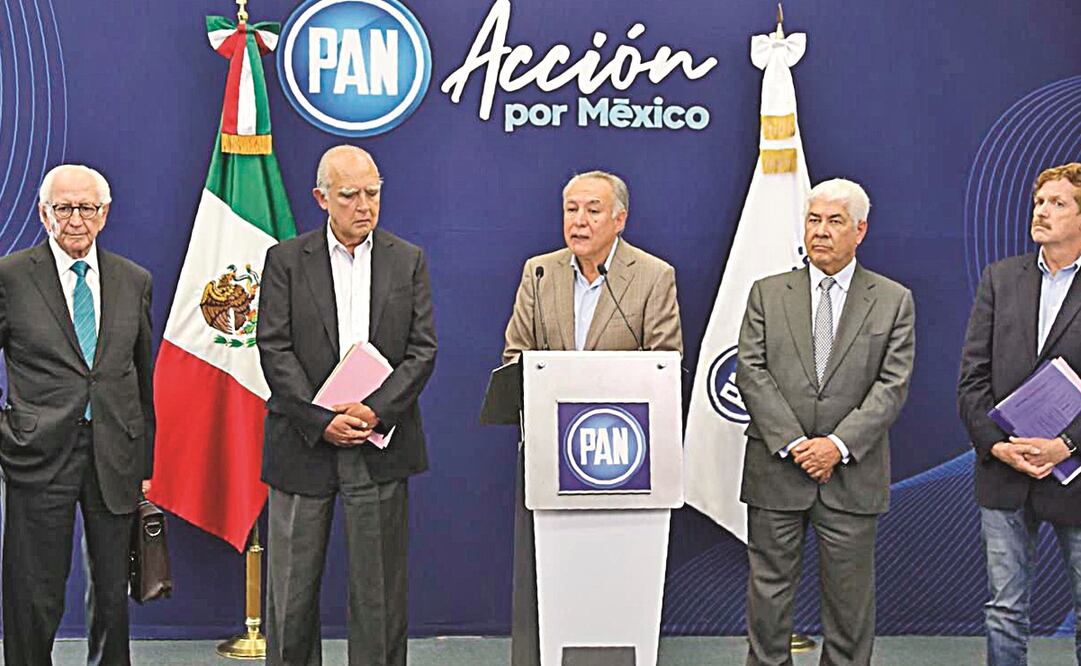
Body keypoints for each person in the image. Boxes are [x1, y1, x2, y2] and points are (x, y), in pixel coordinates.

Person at [257, 145, 437, 666]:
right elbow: (274, 348)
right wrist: (322, 420)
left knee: (378, 598)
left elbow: (422, 351)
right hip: (302, 444)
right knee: (290, 599)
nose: (365, 205)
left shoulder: (408, 259)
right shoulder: (286, 260)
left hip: (379, 446)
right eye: (350, 195)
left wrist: (376, 410)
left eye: (373, 193)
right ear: (321, 198)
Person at [501, 169, 682, 666]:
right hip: (549, 454)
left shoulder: (651, 276)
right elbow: (516, 354)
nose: (578, 221)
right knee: (549, 577)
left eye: (592, 211)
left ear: (619, 219)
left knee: (613, 577)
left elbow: (665, 364)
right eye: (571, 209)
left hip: (625, 457)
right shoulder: (539, 273)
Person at [736, 178, 915, 665]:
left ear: (860, 230)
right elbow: (750, 372)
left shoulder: (893, 300)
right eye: (814, 219)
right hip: (777, 469)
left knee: (849, 604)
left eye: (835, 221)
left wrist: (835, 445)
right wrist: (796, 443)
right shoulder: (767, 294)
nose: (821, 231)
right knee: (769, 595)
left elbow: (891, 387)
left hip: (851, 473)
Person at [0, 164, 155, 665]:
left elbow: (140, 374)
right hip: (36, 453)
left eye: (86, 208)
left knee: (113, 593)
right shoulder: (10, 277)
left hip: (115, 453)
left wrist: (145, 461)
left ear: (104, 215)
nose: (75, 220)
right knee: (34, 591)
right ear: (43, 213)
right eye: (63, 208)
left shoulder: (134, 281)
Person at [958, 162, 1081, 666]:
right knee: (1004, 610)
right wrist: (996, 445)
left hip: (1074, 472)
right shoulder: (1001, 278)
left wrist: (1067, 444)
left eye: (1058, 203)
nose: (1042, 212)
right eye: (1038, 203)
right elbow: (971, 380)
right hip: (1003, 470)